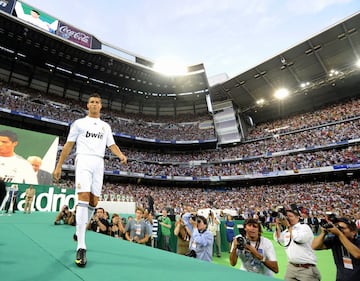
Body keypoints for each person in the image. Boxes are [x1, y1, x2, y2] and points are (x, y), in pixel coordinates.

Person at [53, 93, 127, 267]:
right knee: (83, 199)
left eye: (97, 102)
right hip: (84, 160)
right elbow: (69, 145)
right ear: (87, 105)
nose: (94, 104)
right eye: (92, 102)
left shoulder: (105, 126)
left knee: (94, 202)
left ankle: (79, 232)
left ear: (101, 106)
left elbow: (112, 144)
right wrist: (59, 165)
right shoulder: (79, 123)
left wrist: (120, 155)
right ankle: (81, 247)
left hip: (99, 162)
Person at [275, 208, 321, 281]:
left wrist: (288, 226)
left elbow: (298, 239)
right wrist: (278, 225)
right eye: (286, 216)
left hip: (306, 269)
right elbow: (278, 239)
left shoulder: (304, 227)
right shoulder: (288, 230)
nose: (288, 218)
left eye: (290, 216)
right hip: (291, 267)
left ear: (298, 217)